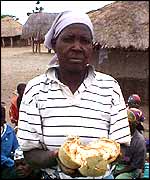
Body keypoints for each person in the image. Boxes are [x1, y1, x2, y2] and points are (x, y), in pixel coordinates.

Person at [17, 10, 131, 179]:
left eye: (85, 41)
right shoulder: (35, 89)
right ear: (55, 44)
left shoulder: (110, 87)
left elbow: (122, 145)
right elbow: (30, 153)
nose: (77, 47)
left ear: (91, 47)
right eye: (68, 39)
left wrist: (95, 160)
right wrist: (59, 157)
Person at [113, 101, 147, 179]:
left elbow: (135, 165)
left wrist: (117, 172)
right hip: (116, 165)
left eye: (129, 123)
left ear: (135, 124)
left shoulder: (139, 141)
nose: (126, 125)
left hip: (131, 169)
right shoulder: (118, 134)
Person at [1, 103, 35, 179]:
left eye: (2, 117)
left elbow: (17, 148)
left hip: (11, 164)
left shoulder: (9, 131)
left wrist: (20, 158)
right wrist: (12, 162)